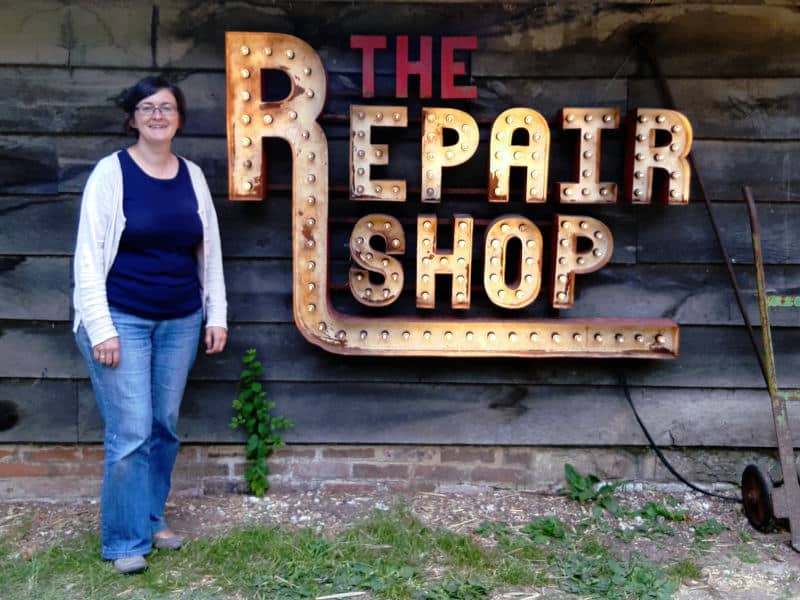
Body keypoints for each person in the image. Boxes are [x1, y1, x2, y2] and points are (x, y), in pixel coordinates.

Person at [72, 75, 228, 574]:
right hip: (121, 317)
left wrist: (215, 314)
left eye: (166, 107)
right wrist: (102, 329)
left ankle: (150, 517)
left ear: (179, 118)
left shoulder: (193, 176)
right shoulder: (110, 174)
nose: (157, 115)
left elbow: (210, 252)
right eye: (147, 108)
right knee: (131, 431)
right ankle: (123, 541)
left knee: (163, 427)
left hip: (180, 318)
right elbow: (87, 260)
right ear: (133, 118)